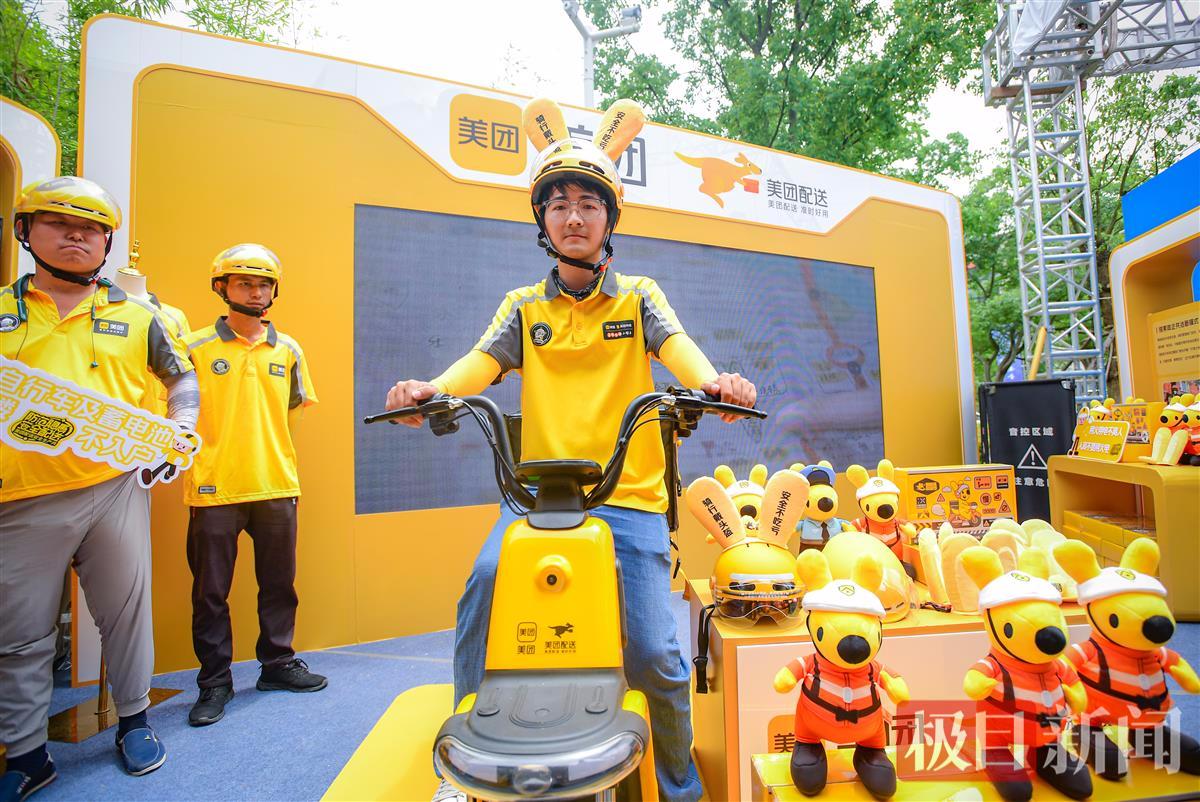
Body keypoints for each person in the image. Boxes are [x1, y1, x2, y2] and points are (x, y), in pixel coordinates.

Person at [385, 100, 755, 802]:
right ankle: (465, 763)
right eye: (559, 205)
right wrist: (430, 392)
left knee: (657, 653)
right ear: (542, 221)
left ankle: (679, 786)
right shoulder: (523, 307)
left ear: (610, 219)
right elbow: (477, 365)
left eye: (589, 204)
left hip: (630, 500)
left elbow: (680, 350)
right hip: (536, 502)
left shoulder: (638, 297)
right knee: (483, 591)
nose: (574, 217)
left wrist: (715, 385)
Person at [0, 177, 198, 801]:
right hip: (21, 495)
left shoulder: (138, 316)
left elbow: (181, 379)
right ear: (25, 231)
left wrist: (180, 429)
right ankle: (26, 752)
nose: (76, 236)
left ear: (107, 241)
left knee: (126, 612)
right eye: (59, 223)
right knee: (20, 632)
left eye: (90, 228)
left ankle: (135, 721)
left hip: (114, 487)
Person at [181, 244, 323, 728]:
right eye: (244, 283)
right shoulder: (194, 348)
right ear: (222, 287)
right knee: (210, 593)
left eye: (264, 284)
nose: (256, 292)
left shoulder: (289, 349)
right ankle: (214, 682)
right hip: (213, 488)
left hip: (275, 484)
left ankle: (278, 663)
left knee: (279, 584)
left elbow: (292, 412)